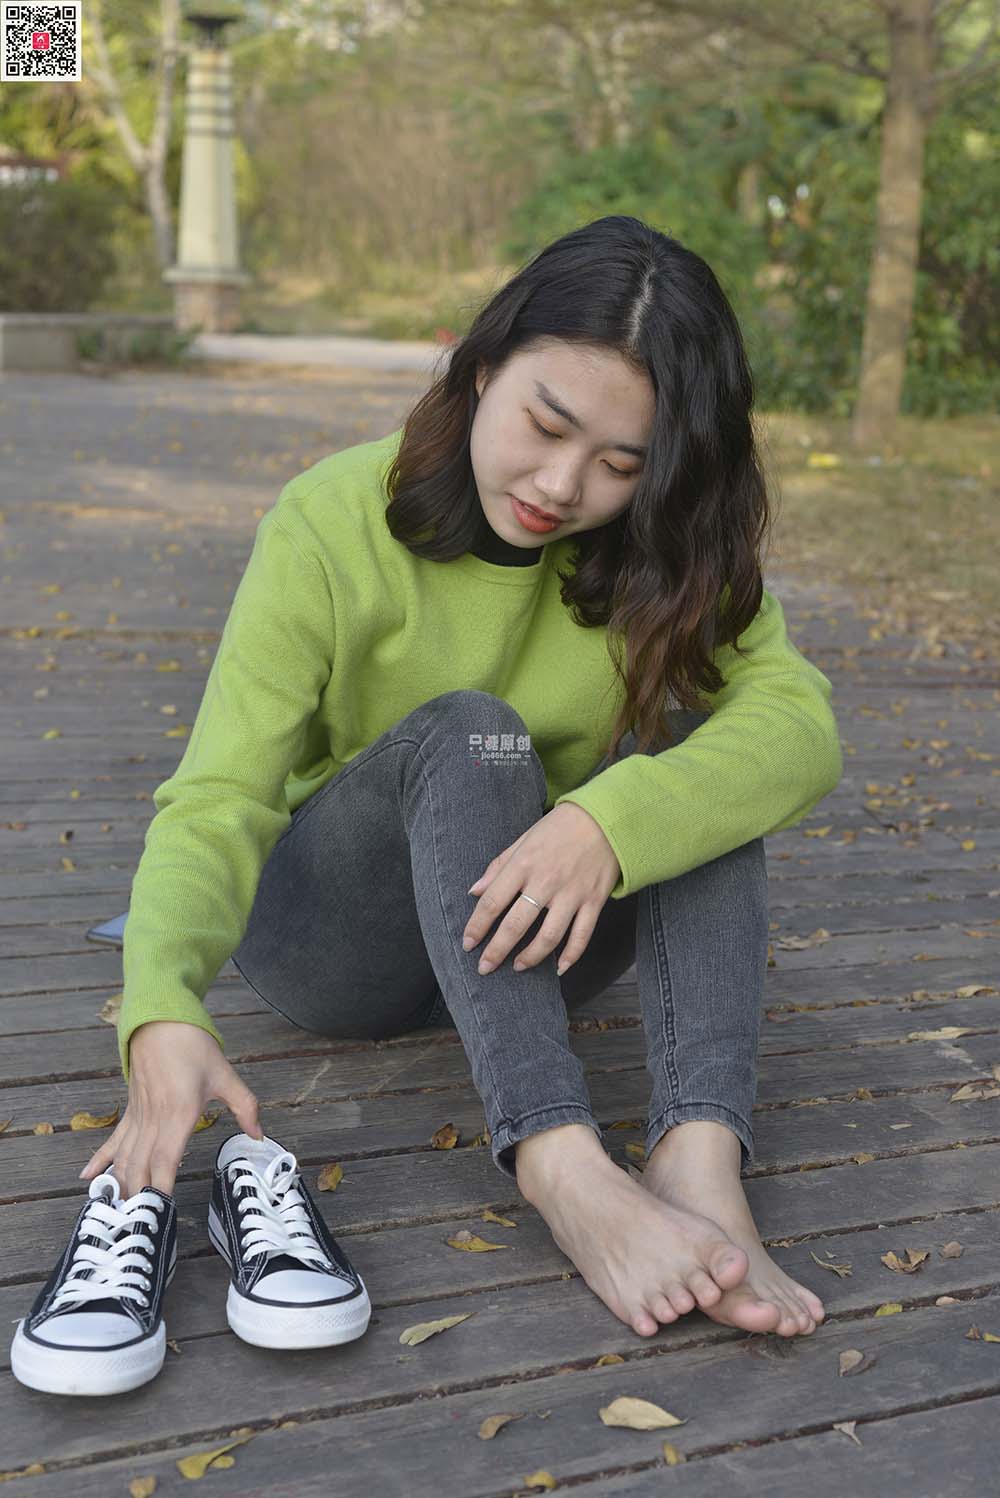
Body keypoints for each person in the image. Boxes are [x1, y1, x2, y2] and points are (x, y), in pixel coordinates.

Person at [80, 214, 842, 1342]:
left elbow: (801, 727)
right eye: (546, 424)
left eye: (621, 464)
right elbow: (219, 797)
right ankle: (561, 1165)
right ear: (483, 367)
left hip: (525, 947)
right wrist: (158, 1009)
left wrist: (609, 820)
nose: (561, 484)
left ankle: (697, 1156)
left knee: (702, 757)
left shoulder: (663, 554)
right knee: (478, 733)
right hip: (334, 944)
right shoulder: (332, 517)